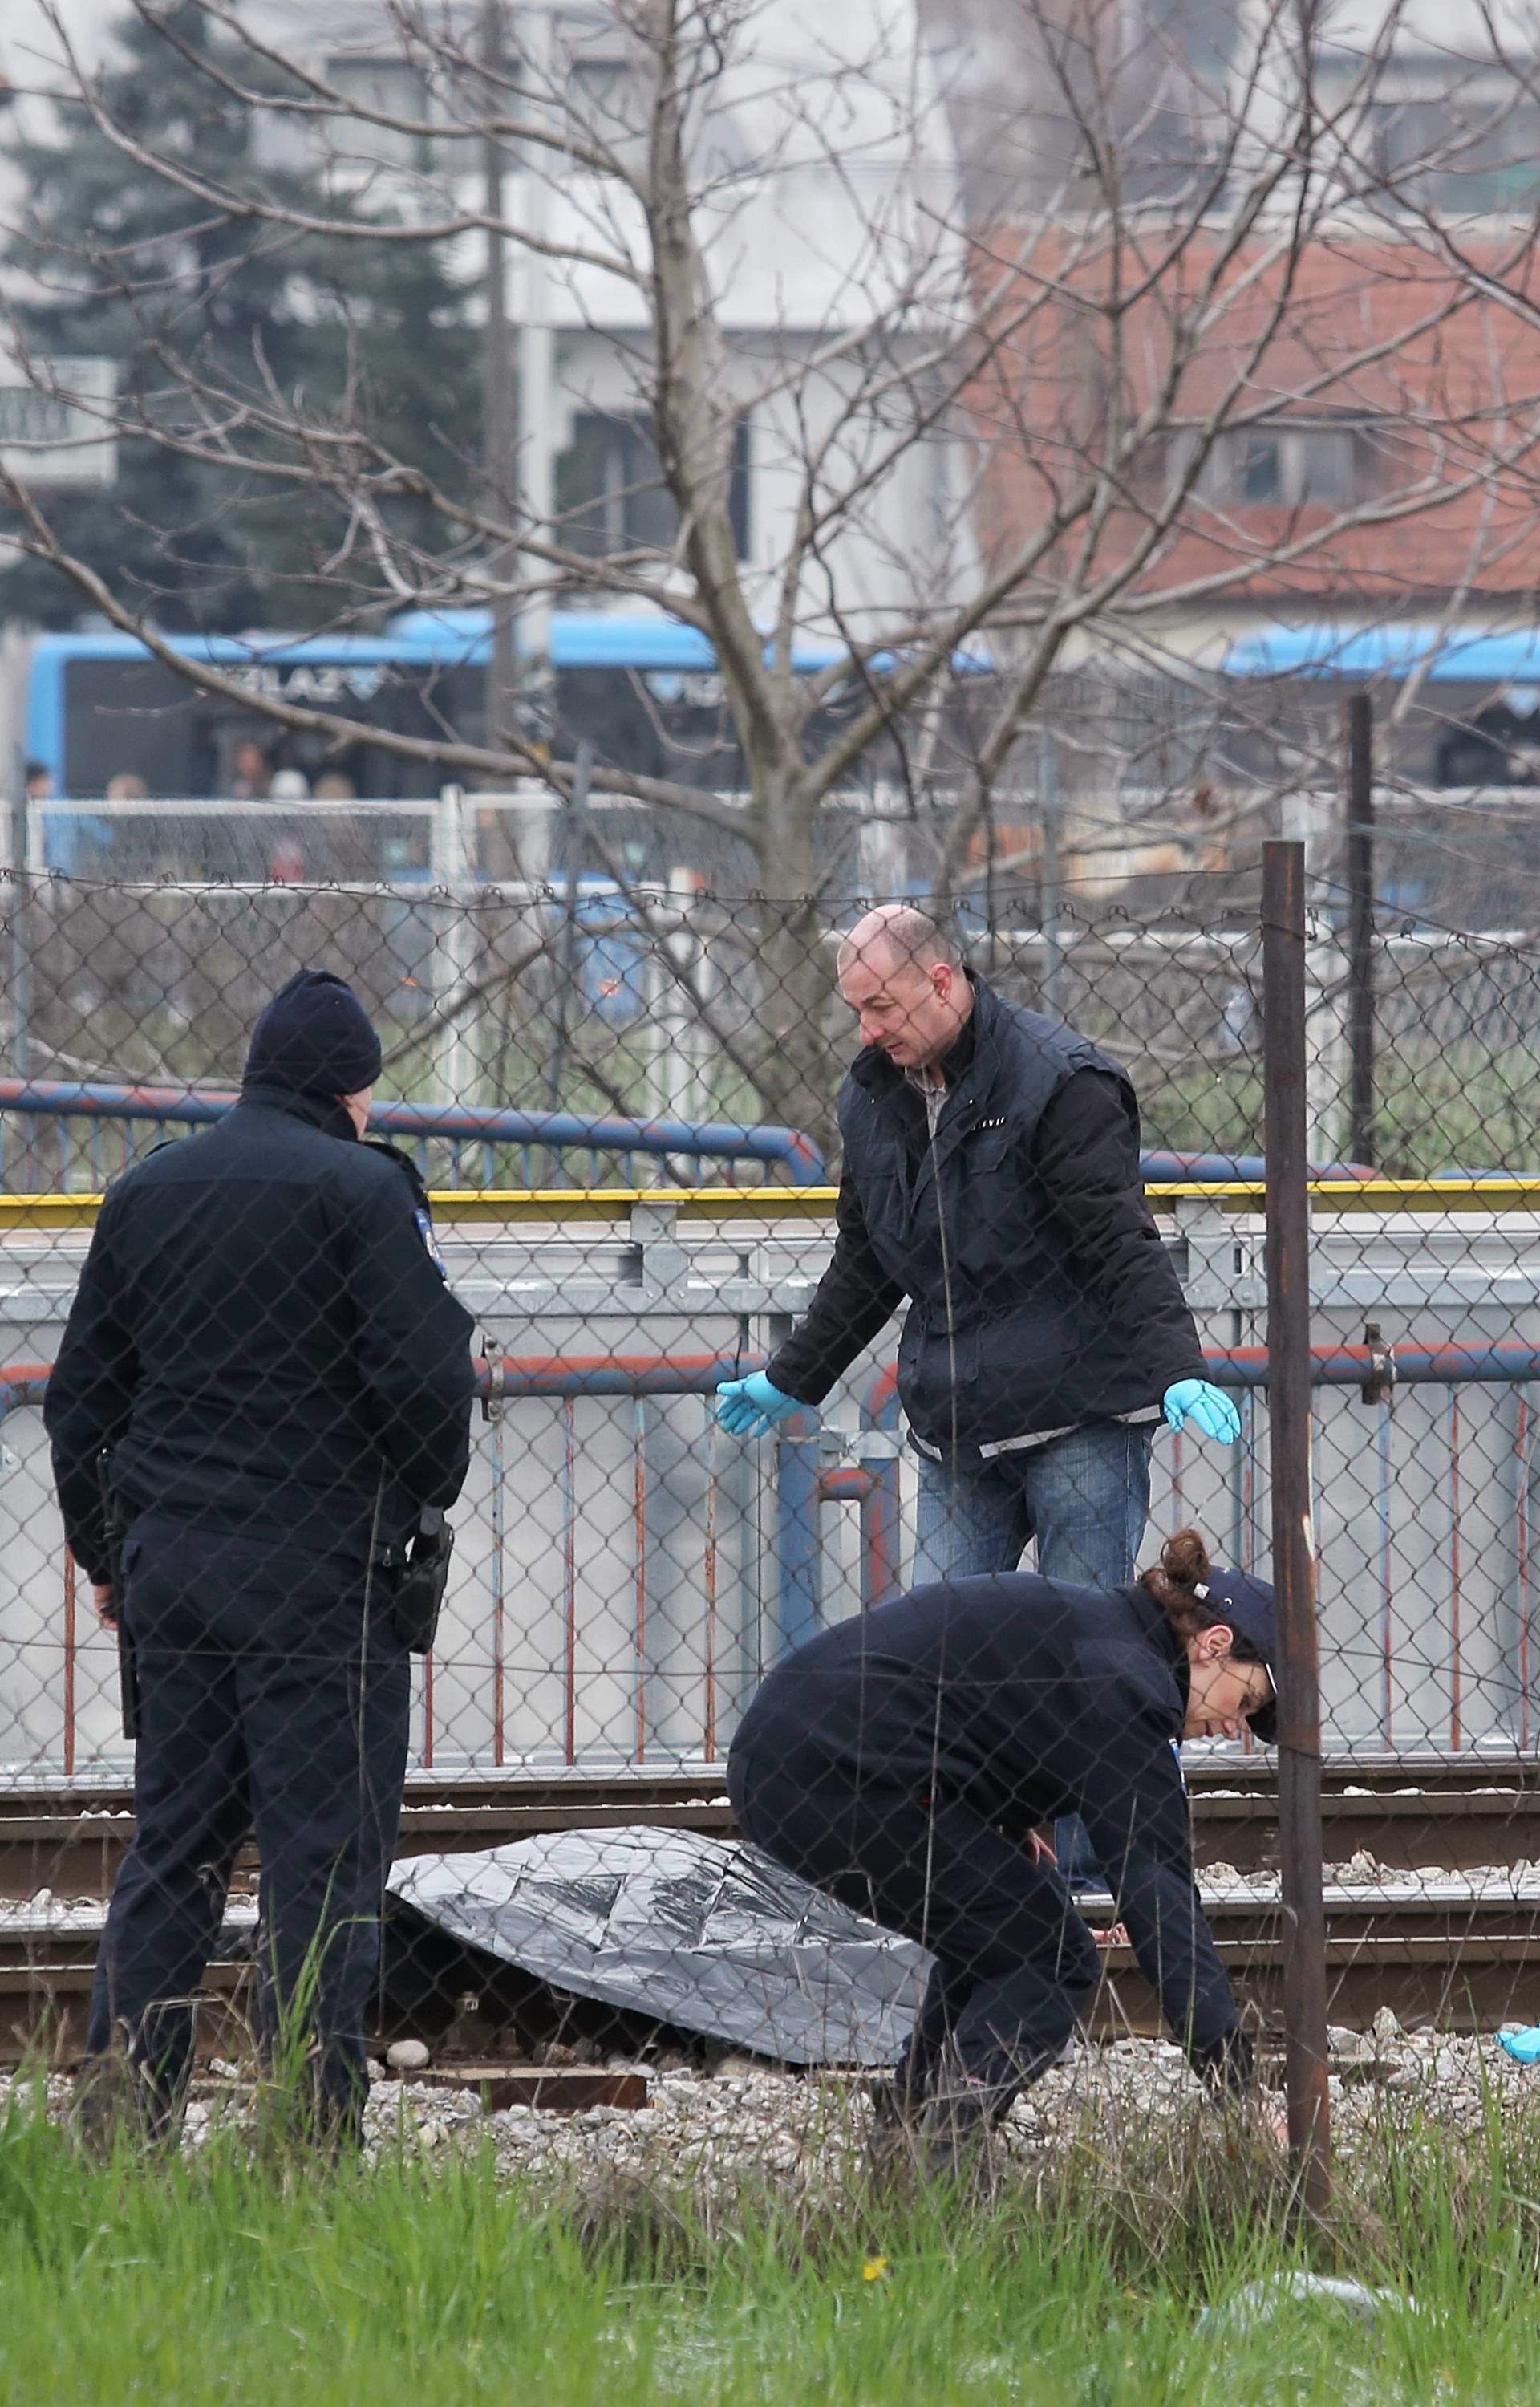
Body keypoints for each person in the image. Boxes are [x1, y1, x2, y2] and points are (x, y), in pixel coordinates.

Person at [715, 904, 1240, 1877]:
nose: (869, 1029)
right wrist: (796, 1380)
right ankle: (982, 1864)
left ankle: (1093, 1873)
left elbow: (1119, 1240)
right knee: (945, 1660)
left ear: (944, 982)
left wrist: (1177, 1370)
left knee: (1090, 1661)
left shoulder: (1057, 1081)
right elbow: (868, 1259)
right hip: (956, 1425)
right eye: (857, 1011)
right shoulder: (872, 1097)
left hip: (1078, 1415)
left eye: (883, 1006)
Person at [45, 970, 476, 2147]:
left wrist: (107, 1553)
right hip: (318, 1576)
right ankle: (308, 2133)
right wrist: (420, 1491)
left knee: (173, 1847)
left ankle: (124, 2122)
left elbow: (80, 1401)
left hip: (172, 1569)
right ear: (351, 1091)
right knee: (321, 1863)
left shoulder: (149, 1191)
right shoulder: (365, 1194)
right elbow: (429, 1378)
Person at [727, 1528, 1277, 2170]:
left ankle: (907, 2128)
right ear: (1213, 1645)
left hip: (799, 1753)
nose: (1234, 1726)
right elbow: (1160, 1899)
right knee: (1052, 1957)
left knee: (1004, 1933)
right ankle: (943, 2155)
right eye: (1248, 1700)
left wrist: (995, 1812)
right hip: (836, 1773)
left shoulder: (1106, 1635)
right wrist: (1238, 2090)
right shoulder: (1128, 1686)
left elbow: (970, 1691)